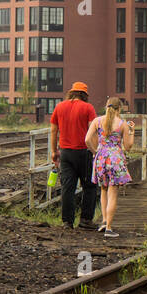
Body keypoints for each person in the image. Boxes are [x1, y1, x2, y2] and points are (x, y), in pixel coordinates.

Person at [49, 81, 98, 231]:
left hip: (65, 153)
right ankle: (85, 220)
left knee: (67, 188)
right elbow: (93, 130)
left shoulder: (59, 107)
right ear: (84, 95)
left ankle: (67, 222)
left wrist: (54, 151)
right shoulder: (88, 108)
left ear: (71, 92)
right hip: (85, 152)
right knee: (89, 186)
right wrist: (96, 150)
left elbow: (53, 131)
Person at [85, 97, 134, 238]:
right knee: (113, 193)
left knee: (103, 190)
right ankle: (109, 228)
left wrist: (95, 152)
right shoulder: (122, 124)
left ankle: (104, 221)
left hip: (100, 158)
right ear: (119, 109)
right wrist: (132, 131)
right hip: (115, 159)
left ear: (106, 107)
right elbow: (128, 146)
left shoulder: (97, 121)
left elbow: (87, 139)